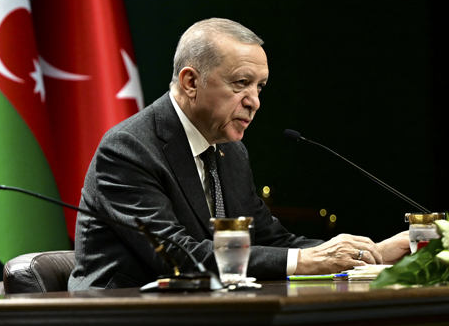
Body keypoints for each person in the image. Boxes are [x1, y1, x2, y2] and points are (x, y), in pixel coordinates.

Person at [68, 18, 410, 290]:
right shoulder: (129, 148)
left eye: (259, 86)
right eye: (241, 83)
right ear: (191, 82)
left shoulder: (231, 152)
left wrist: (370, 254)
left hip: (203, 317)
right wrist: (307, 261)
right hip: (118, 324)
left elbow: (271, 240)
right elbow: (176, 256)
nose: (255, 102)